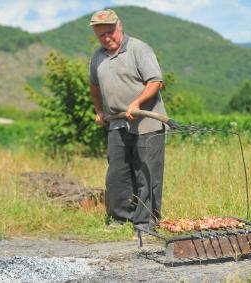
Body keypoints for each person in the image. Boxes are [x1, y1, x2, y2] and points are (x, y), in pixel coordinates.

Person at [89, 9, 167, 231]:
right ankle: (121, 218)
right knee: (117, 173)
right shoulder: (97, 57)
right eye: (101, 35)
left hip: (146, 122)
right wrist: (99, 110)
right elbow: (94, 85)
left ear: (119, 26)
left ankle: (146, 222)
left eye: (110, 32)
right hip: (117, 122)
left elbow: (155, 81)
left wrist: (137, 102)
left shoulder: (139, 50)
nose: (107, 38)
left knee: (146, 173)